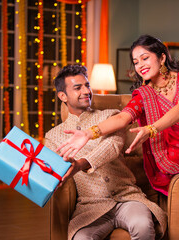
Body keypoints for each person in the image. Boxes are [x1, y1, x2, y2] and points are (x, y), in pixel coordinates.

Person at [57, 35, 179, 239]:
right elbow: (123, 118)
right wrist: (88, 133)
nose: (140, 65)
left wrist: (151, 128)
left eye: (145, 58)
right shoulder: (143, 94)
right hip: (169, 156)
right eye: (136, 62)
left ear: (162, 57)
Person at [44, 64, 167, 240]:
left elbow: (113, 145)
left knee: (143, 226)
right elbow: (49, 173)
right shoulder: (53, 137)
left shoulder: (111, 117)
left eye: (87, 85)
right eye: (78, 88)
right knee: (81, 238)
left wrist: (81, 164)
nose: (86, 91)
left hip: (128, 197)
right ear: (62, 96)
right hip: (91, 206)